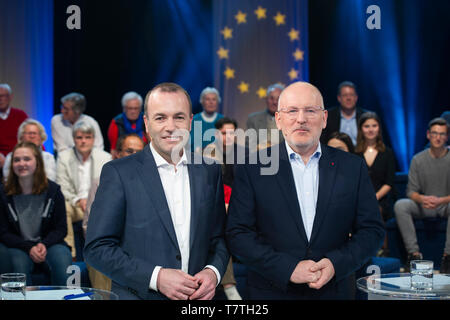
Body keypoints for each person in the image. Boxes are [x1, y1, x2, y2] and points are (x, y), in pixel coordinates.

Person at [226, 81, 385, 300]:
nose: (301, 119)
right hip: (272, 292)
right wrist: (287, 268)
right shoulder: (252, 167)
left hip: (335, 291)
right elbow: (238, 234)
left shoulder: (352, 167)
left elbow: (372, 231)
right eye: (292, 111)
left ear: (324, 119)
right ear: (279, 120)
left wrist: (335, 264)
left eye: (310, 111)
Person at [84, 82, 229, 300]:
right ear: (147, 123)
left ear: (191, 122)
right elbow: (97, 248)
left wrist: (213, 272)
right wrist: (156, 277)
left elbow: (219, 238)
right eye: (160, 118)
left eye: (179, 117)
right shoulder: (118, 173)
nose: (170, 126)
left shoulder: (210, 171)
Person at [0, 142, 72, 285]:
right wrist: (28, 247)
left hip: (49, 244)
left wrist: (43, 244)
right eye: (17, 160)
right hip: (18, 246)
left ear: (37, 162)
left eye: (27, 159)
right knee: (18, 267)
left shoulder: (53, 191)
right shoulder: (3, 193)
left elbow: (61, 229)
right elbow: (3, 232)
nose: (22, 164)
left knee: (64, 261)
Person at [82, 133, 145, 291]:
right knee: (101, 262)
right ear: (117, 153)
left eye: (139, 152)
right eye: (129, 151)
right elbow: (88, 226)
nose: (134, 156)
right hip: (107, 249)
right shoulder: (101, 181)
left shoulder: (152, 183)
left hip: (140, 251)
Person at [394, 117, 450, 273]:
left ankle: (448, 256)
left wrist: (440, 201)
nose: (438, 137)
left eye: (442, 134)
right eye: (434, 133)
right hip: (424, 205)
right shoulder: (418, 159)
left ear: (446, 136)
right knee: (401, 205)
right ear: (428, 135)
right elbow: (411, 191)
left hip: (445, 205)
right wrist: (423, 199)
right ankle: (414, 254)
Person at [56, 121, 112, 259]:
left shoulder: (105, 157)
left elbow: (107, 186)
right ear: (74, 139)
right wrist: (78, 200)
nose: (83, 141)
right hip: (75, 205)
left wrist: (90, 201)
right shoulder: (64, 157)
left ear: (93, 139)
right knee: (64, 208)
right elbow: (61, 185)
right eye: (79, 138)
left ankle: (98, 253)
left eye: (87, 137)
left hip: (96, 205)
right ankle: (72, 254)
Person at [203, 117, 244, 300]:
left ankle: (228, 284)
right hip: (212, 201)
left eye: (231, 133)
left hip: (238, 202)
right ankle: (228, 285)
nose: (228, 137)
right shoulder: (207, 152)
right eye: (224, 133)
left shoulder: (244, 153)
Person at [320, 81, 368, 146]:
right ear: (339, 98)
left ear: (356, 98)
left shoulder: (365, 116)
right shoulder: (328, 116)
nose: (348, 98)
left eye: (351, 95)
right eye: (345, 95)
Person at [107, 91, 149, 158]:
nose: (133, 111)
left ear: (141, 108)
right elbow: (114, 150)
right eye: (130, 108)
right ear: (124, 108)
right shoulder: (116, 122)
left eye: (136, 108)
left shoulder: (146, 121)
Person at [246, 83, 285, 150]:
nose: (275, 102)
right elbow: (248, 146)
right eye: (271, 98)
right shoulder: (253, 119)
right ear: (266, 99)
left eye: (278, 99)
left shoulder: (289, 120)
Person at [190, 87, 224, 153]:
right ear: (202, 101)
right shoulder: (195, 120)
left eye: (214, 99)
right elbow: (192, 145)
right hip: (198, 158)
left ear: (218, 102)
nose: (211, 102)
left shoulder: (223, 120)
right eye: (207, 99)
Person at [0, 84, 28, 158]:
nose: (0, 99)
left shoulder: (20, 115)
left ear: (10, 97)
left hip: (18, 155)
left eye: (3, 96)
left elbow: (29, 137)